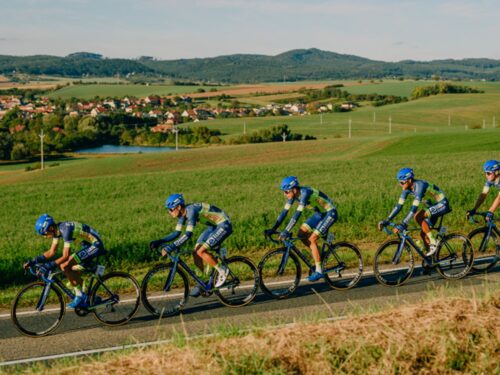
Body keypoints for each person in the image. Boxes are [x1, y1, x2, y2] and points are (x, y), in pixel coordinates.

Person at [150, 194, 232, 297]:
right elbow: (176, 233)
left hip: (223, 224)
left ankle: (222, 270)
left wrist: (171, 247)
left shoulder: (191, 211)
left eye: (171, 209)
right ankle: (202, 282)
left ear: (179, 207)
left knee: (200, 251)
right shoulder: (183, 214)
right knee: (195, 252)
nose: (169, 212)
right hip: (213, 227)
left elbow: (188, 235)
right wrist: (160, 241)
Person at [266, 176, 338, 282]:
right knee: (301, 234)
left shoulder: (305, 193)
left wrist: (286, 231)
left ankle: (319, 271)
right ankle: (318, 255)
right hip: (320, 215)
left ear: (294, 189)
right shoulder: (294, 196)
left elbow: (297, 214)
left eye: (286, 192)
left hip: (330, 213)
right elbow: (284, 213)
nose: (285, 194)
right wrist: (273, 228)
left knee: (312, 239)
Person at [25, 214, 105, 308]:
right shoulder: (57, 231)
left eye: (45, 234)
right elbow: (51, 252)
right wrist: (34, 261)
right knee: (72, 276)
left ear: (50, 228)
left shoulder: (65, 230)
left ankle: (80, 296)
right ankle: (90, 297)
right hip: (88, 245)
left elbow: (65, 256)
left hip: (96, 245)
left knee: (65, 266)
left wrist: (48, 266)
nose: (45, 237)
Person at [378, 168, 451, 256]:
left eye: (402, 182)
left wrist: (404, 223)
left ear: (409, 180)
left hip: (442, 204)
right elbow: (398, 206)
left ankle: (434, 242)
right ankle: (431, 261)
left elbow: (414, 208)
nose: (400, 185)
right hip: (432, 206)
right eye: (399, 182)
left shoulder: (420, 186)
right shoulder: (407, 189)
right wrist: (387, 220)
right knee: (423, 234)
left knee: (418, 216)